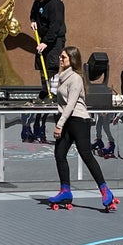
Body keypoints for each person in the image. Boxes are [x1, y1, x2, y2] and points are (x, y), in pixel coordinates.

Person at [48, 46, 117, 211]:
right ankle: (65, 190)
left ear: (71, 60)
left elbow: (71, 104)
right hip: (66, 120)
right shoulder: (61, 77)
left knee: (86, 155)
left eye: (63, 57)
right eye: (60, 56)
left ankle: (105, 191)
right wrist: (58, 70)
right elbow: (51, 91)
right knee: (59, 154)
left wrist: (59, 125)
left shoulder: (76, 79)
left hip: (78, 120)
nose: (60, 59)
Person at [28, 0, 66, 142]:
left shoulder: (55, 3)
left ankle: (52, 94)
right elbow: (33, 12)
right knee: (41, 66)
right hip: (43, 38)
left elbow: (55, 26)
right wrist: (32, 20)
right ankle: (45, 91)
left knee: (51, 66)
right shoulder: (39, 0)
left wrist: (46, 42)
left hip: (54, 40)